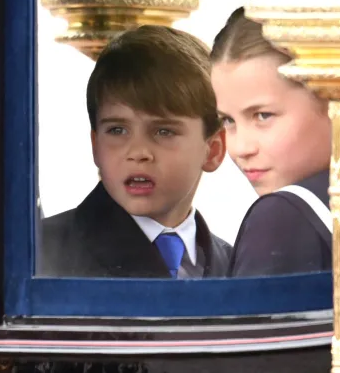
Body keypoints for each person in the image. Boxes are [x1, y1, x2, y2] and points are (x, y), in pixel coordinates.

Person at [210, 8, 340, 277]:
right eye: (228, 121)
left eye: (263, 116)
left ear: (336, 100)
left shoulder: (282, 217)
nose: (240, 148)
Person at [39, 25, 231, 279]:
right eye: (117, 130)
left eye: (163, 131)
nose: (138, 152)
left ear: (213, 150)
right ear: (95, 145)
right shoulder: (42, 254)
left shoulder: (237, 265)